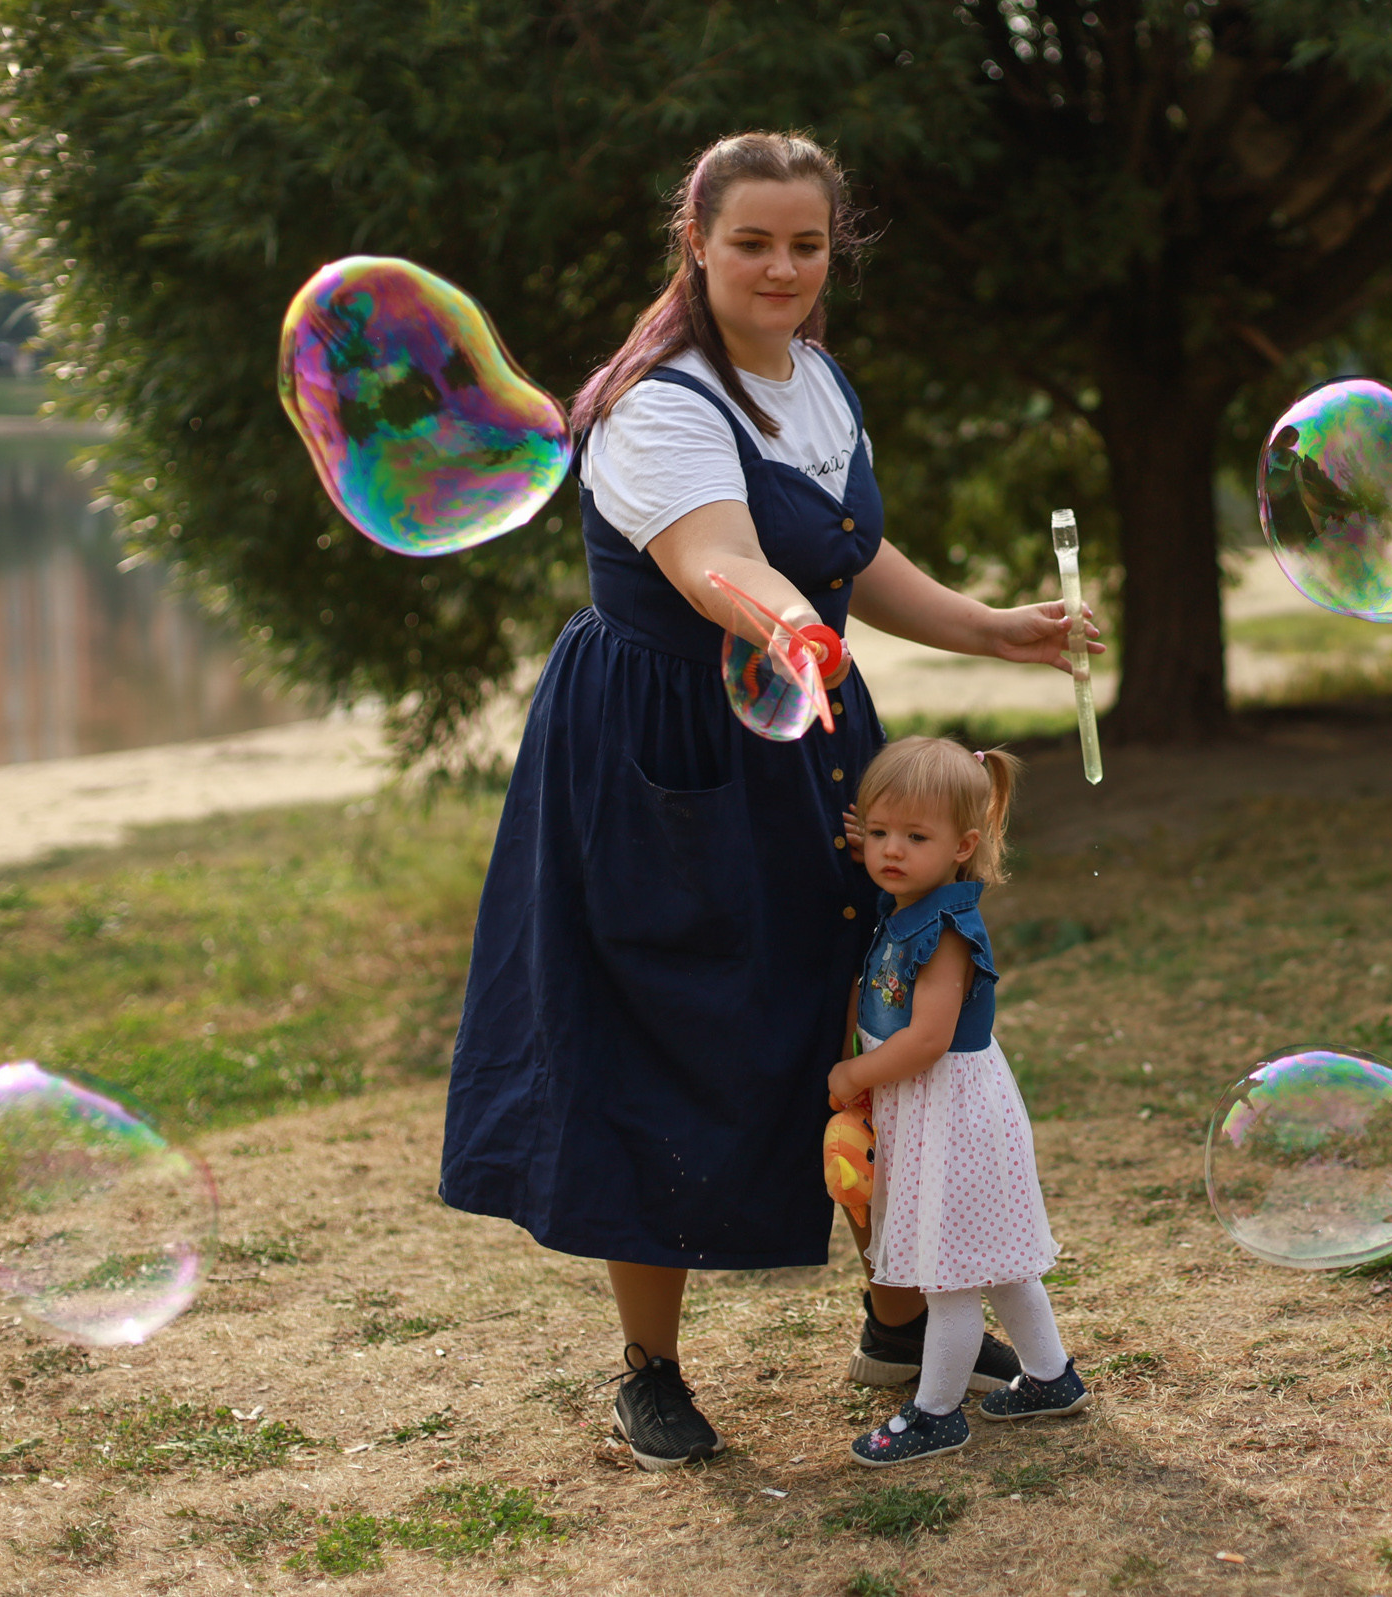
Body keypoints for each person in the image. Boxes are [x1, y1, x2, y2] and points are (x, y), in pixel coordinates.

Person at [437, 131, 1101, 1471]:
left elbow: (844, 550)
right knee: (657, 1026)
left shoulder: (816, 381)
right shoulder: (657, 403)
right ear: (696, 243)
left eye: (806, 244)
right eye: (752, 243)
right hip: (658, 753)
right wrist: (799, 631)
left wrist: (990, 630)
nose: (782, 267)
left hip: (799, 720)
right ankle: (652, 1370)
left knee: (851, 996)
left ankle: (899, 1317)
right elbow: (716, 563)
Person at [831, 737, 1090, 1466]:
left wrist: (855, 1075)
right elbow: (893, 865)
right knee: (1000, 1260)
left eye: (915, 838)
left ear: (963, 847)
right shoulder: (909, 900)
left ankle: (937, 1411)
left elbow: (928, 1039)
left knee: (947, 1269)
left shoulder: (946, 930)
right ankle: (1049, 1375)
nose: (890, 851)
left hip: (952, 1108)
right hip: (933, 1109)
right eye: (879, 833)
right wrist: (883, 839)